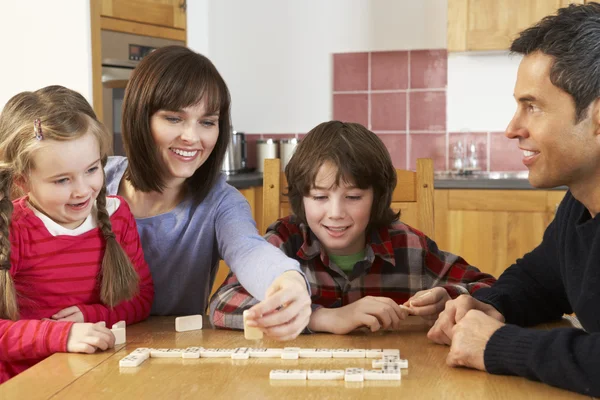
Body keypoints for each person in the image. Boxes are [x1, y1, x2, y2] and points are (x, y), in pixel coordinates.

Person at [427, 2, 600, 396]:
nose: (511, 128)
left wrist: (496, 345)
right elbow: (539, 280)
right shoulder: (579, 206)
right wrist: (489, 304)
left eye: (532, 107)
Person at [210, 121, 496, 334]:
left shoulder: (408, 246)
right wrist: (321, 318)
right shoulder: (285, 241)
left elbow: (490, 289)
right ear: (301, 198)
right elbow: (221, 305)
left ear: (377, 197)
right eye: (320, 197)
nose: (336, 213)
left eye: (354, 197)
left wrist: (449, 297)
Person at [105, 45, 311, 341]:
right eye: (173, 118)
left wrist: (289, 281)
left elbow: (249, 250)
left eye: (207, 122)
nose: (192, 137)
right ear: (140, 117)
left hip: (174, 355)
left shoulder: (221, 202)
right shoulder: (94, 182)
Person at [0, 85, 154, 383]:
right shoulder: (11, 228)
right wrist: (59, 335)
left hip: (96, 378)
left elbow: (143, 297)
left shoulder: (117, 216)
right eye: (61, 180)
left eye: (92, 169)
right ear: (22, 180)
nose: (83, 190)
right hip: (26, 385)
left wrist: (91, 315)